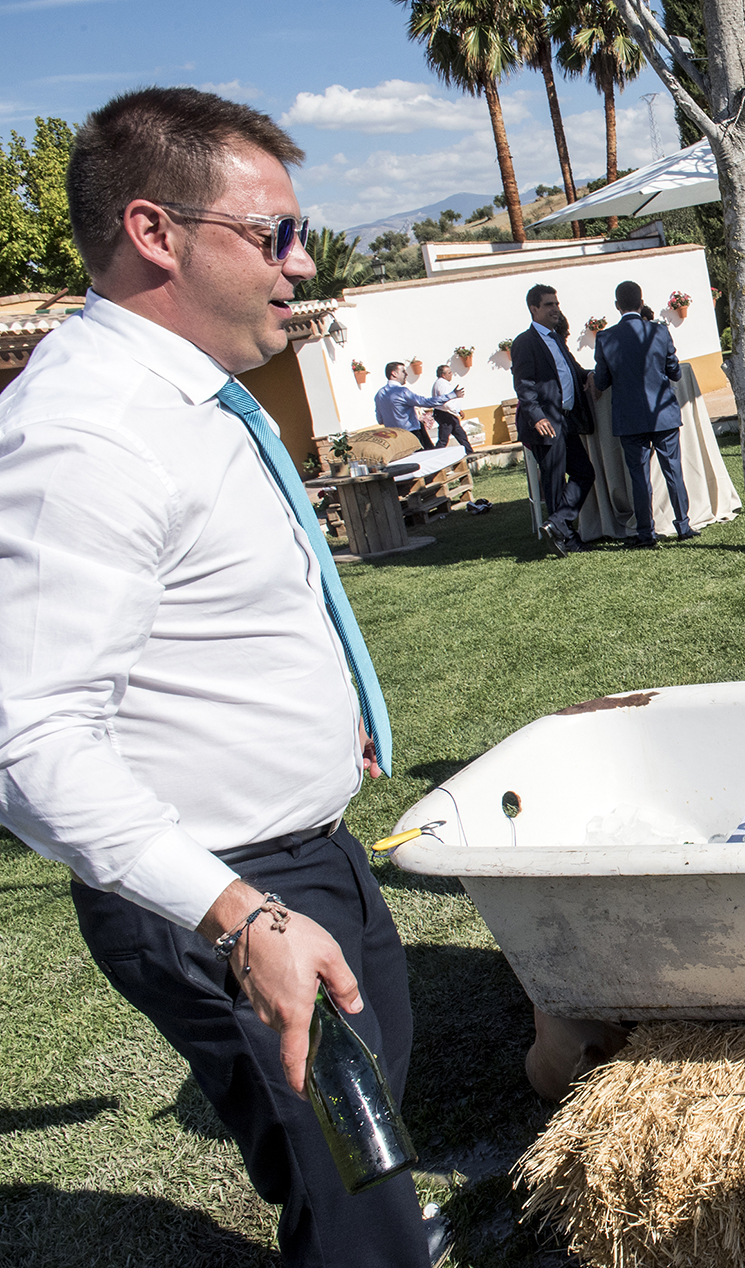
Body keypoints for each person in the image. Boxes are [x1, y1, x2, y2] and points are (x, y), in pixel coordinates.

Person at [0, 87, 443, 1267]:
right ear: (157, 232)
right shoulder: (89, 430)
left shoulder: (188, 401)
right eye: (273, 236)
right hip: (223, 894)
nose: (301, 265)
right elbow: (28, 740)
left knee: (364, 1161)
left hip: (305, 854)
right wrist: (242, 916)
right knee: (365, 1203)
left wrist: (321, 718)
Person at [591, 280, 698, 548]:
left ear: (617, 306)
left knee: (639, 478)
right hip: (662, 413)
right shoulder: (659, 332)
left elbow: (601, 382)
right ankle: (683, 526)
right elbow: (674, 370)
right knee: (673, 470)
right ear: (641, 302)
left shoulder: (605, 338)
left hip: (629, 417)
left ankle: (645, 533)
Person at [512, 283, 598, 557]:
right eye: (549, 305)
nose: (556, 309)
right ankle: (566, 538)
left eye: (557, 304)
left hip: (566, 421)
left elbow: (572, 369)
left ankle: (557, 524)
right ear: (534, 309)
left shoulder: (556, 339)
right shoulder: (525, 342)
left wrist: (591, 376)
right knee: (554, 483)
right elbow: (523, 385)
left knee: (585, 472)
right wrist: (536, 416)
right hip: (545, 424)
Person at [372, 359, 462, 438]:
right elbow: (425, 402)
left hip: (393, 436)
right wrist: (451, 395)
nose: (406, 374)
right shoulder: (401, 391)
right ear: (394, 374)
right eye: (403, 371)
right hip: (411, 433)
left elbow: (380, 419)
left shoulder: (379, 394)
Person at [426, 364, 475, 454]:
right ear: (443, 375)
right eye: (449, 372)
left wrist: (458, 410)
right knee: (443, 439)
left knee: (460, 434)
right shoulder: (442, 384)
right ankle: (435, 456)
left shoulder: (442, 383)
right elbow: (447, 403)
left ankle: (470, 452)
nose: (451, 374)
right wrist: (456, 411)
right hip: (445, 414)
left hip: (447, 413)